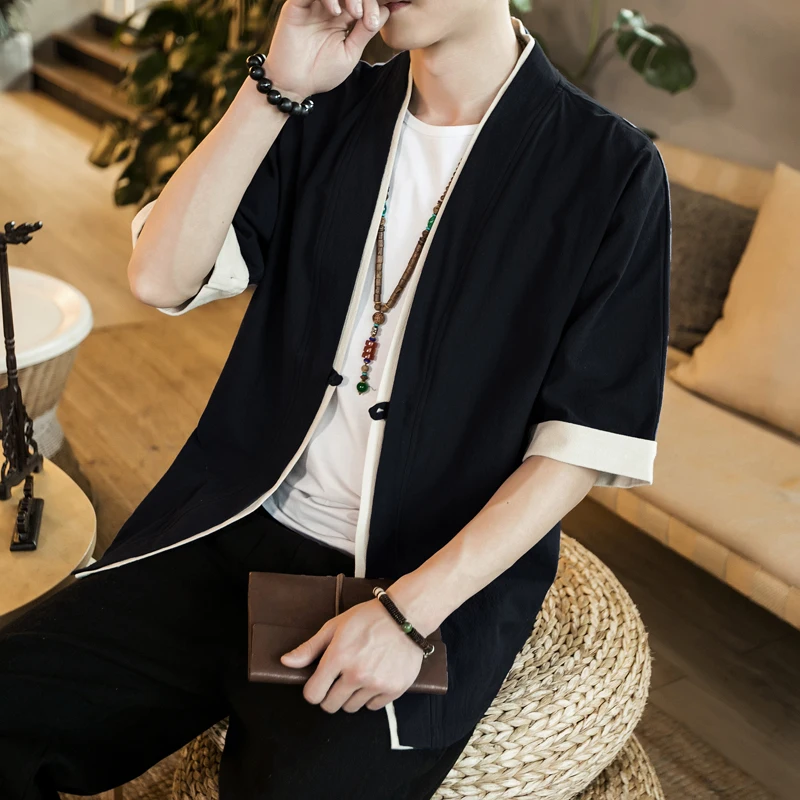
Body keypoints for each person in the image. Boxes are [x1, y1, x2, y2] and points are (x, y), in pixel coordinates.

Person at [0, 0, 671, 798]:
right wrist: (277, 88)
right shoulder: (325, 109)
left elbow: (580, 443)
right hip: (234, 526)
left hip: (411, 575)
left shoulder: (610, 168)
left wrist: (408, 615)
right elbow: (160, 278)